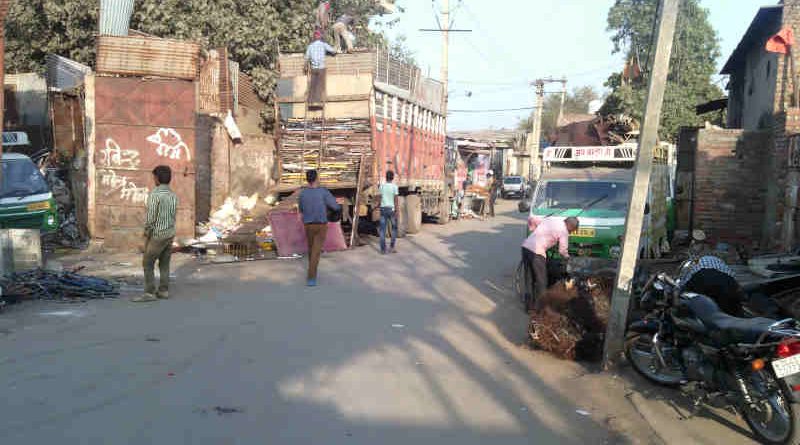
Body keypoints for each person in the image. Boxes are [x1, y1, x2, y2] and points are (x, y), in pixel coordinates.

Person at [133, 166, 178, 303]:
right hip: (169, 233)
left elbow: (151, 218)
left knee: (148, 262)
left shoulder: (155, 194)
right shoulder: (173, 195)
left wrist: (146, 234)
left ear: (157, 178)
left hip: (157, 234)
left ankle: (149, 293)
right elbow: (173, 216)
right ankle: (163, 291)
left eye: (154, 177)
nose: (153, 180)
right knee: (164, 263)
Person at [521, 216, 580, 306]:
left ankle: (528, 306)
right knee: (542, 282)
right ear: (570, 226)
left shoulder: (552, 219)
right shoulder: (564, 231)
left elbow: (532, 219)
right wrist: (568, 258)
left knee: (529, 278)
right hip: (537, 252)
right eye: (572, 230)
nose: (570, 232)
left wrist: (533, 230)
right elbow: (562, 250)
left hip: (526, 247)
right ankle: (543, 308)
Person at [299, 169, 341, 287]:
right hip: (321, 225)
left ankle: (311, 269)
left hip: (308, 225)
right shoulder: (323, 192)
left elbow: (301, 209)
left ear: (307, 180)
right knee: (316, 251)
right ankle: (311, 277)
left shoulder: (302, 193)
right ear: (317, 178)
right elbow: (335, 206)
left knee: (311, 249)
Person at [678, 255, 747, 317]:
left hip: (701, 279)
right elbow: (733, 279)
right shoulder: (716, 260)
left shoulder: (689, 266)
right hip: (722, 280)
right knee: (731, 307)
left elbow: (681, 285)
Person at [304, 30, 337, 107]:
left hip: (313, 68)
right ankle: (318, 102)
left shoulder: (310, 46)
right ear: (320, 37)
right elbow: (333, 51)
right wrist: (336, 48)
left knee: (312, 84)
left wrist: (305, 67)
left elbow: (306, 58)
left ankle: (310, 101)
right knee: (320, 85)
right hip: (321, 68)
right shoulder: (323, 45)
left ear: (314, 37)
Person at [378, 170, 400, 254]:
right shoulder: (395, 187)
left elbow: (380, 198)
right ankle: (391, 247)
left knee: (382, 230)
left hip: (383, 209)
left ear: (386, 177)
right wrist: (397, 211)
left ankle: (383, 249)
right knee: (394, 229)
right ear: (393, 178)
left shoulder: (382, 186)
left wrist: (378, 206)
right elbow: (396, 200)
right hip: (391, 210)